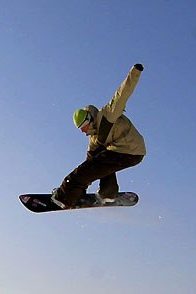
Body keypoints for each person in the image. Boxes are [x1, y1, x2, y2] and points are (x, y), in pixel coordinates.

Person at [51, 63, 146, 209]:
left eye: (83, 127)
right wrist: (83, 186)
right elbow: (90, 164)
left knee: (84, 172)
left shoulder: (107, 115)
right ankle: (108, 194)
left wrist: (135, 73)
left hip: (129, 148)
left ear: (89, 119)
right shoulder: (94, 139)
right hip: (126, 153)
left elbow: (122, 94)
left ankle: (65, 198)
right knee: (95, 163)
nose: (83, 131)